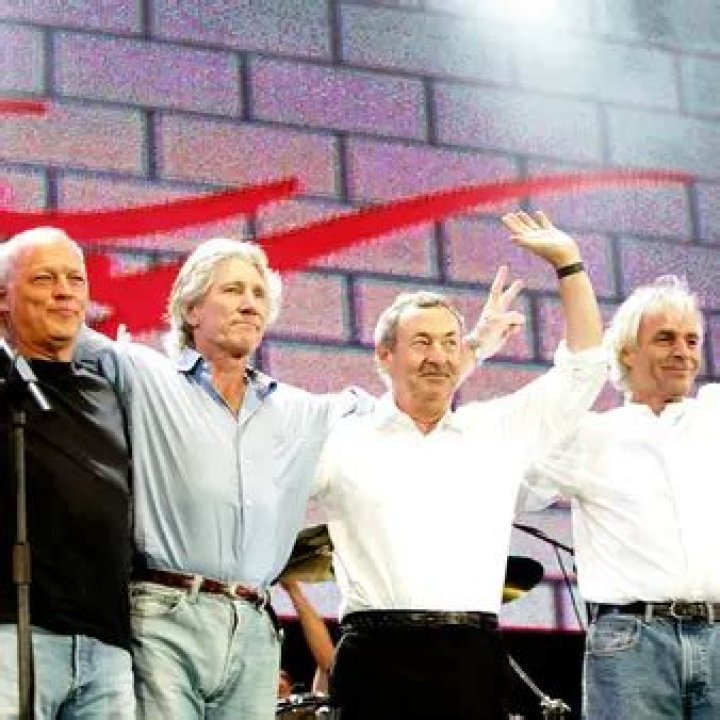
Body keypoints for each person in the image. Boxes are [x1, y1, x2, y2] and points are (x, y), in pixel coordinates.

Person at [109, 236, 505, 719]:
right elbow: (65, 338)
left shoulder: (296, 409)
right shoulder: (147, 375)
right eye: (233, 290)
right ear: (191, 309)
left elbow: (403, 402)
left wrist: (471, 349)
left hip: (252, 626)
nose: (250, 304)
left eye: (259, 294)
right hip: (168, 611)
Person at [311, 210, 608, 720]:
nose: (440, 356)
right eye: (422, 342)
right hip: (375, 658)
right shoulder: (342, 437)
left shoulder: (496, 431)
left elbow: (583, 370)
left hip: (472, 656)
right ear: (384, 356)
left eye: (451, 342)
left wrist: (569, 265)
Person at [522, 275, 720, 720]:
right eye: (665, 338)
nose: (683, 352)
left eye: (691, 340)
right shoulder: (591, 435)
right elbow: (517, 488)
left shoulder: (714, 416)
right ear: (627, 352)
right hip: (632, 641)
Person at [0, 228, 134, 718]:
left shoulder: (105, 392)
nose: (64, 292)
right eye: (44, 279)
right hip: (13, 634)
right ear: (2, 299)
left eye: (75, 280)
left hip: (107, 647)